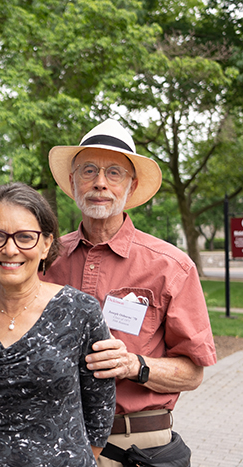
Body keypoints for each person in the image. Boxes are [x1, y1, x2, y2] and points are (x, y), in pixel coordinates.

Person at [44, 119, 217, 466]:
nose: (99, 183)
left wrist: (134, 364)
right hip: (58, 439)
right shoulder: (46, 260)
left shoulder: (170, 266)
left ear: (131, 185)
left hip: (136, 446)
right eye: (89, 170)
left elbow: (193, 373)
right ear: (73, 181)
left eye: (114, 173)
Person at [0, 183, 116, 466]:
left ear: (46, 243)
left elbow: (100, 406)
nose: (10, 249)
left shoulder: (80, 311)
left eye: (25, 237)